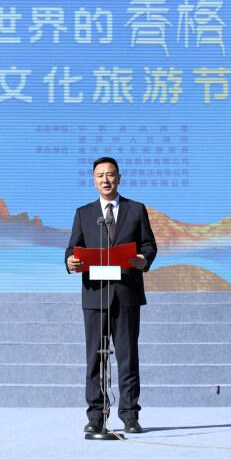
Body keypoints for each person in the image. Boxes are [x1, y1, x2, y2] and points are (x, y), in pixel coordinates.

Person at [65, 157, 157, 434]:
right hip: (95, 295)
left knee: (128, 357)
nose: (105, 179)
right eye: (100, 175)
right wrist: (70, 261)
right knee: (95, 358)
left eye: (110, 174)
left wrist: (143, 260)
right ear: (94, 180)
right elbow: (72, 249)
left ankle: (130, 415)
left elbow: (149, 245)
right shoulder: (84, 213)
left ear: (119, 178)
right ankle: (96, 415)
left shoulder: (136, 209)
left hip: (126, 293)